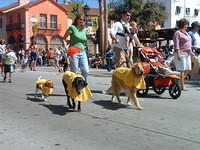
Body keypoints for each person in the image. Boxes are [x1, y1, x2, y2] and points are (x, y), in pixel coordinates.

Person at [63, 14, 89, 80]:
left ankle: (82, 83)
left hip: (83, 51)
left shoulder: (84, 30)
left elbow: (84, 40)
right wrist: (66, 47)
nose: (81, 21)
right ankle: (72, 86)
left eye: (83, 20)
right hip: (74, 51)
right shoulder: (72, 28)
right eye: (80, 19)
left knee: (86, 71)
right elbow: (64, 38)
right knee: (74, 71)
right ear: (77, 20)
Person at [173, 18, 195, 91]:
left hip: (187, 53)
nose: (187, 26)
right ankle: (182, 86)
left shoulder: (186, 33)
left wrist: (191, 53)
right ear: (183, 24)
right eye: (186, 24)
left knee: (188, 69)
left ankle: (178, 81)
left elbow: (188, 44)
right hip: (181, 53)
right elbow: (176, 44)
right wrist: (178, 53)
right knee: (181, 70)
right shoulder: (178, 33)